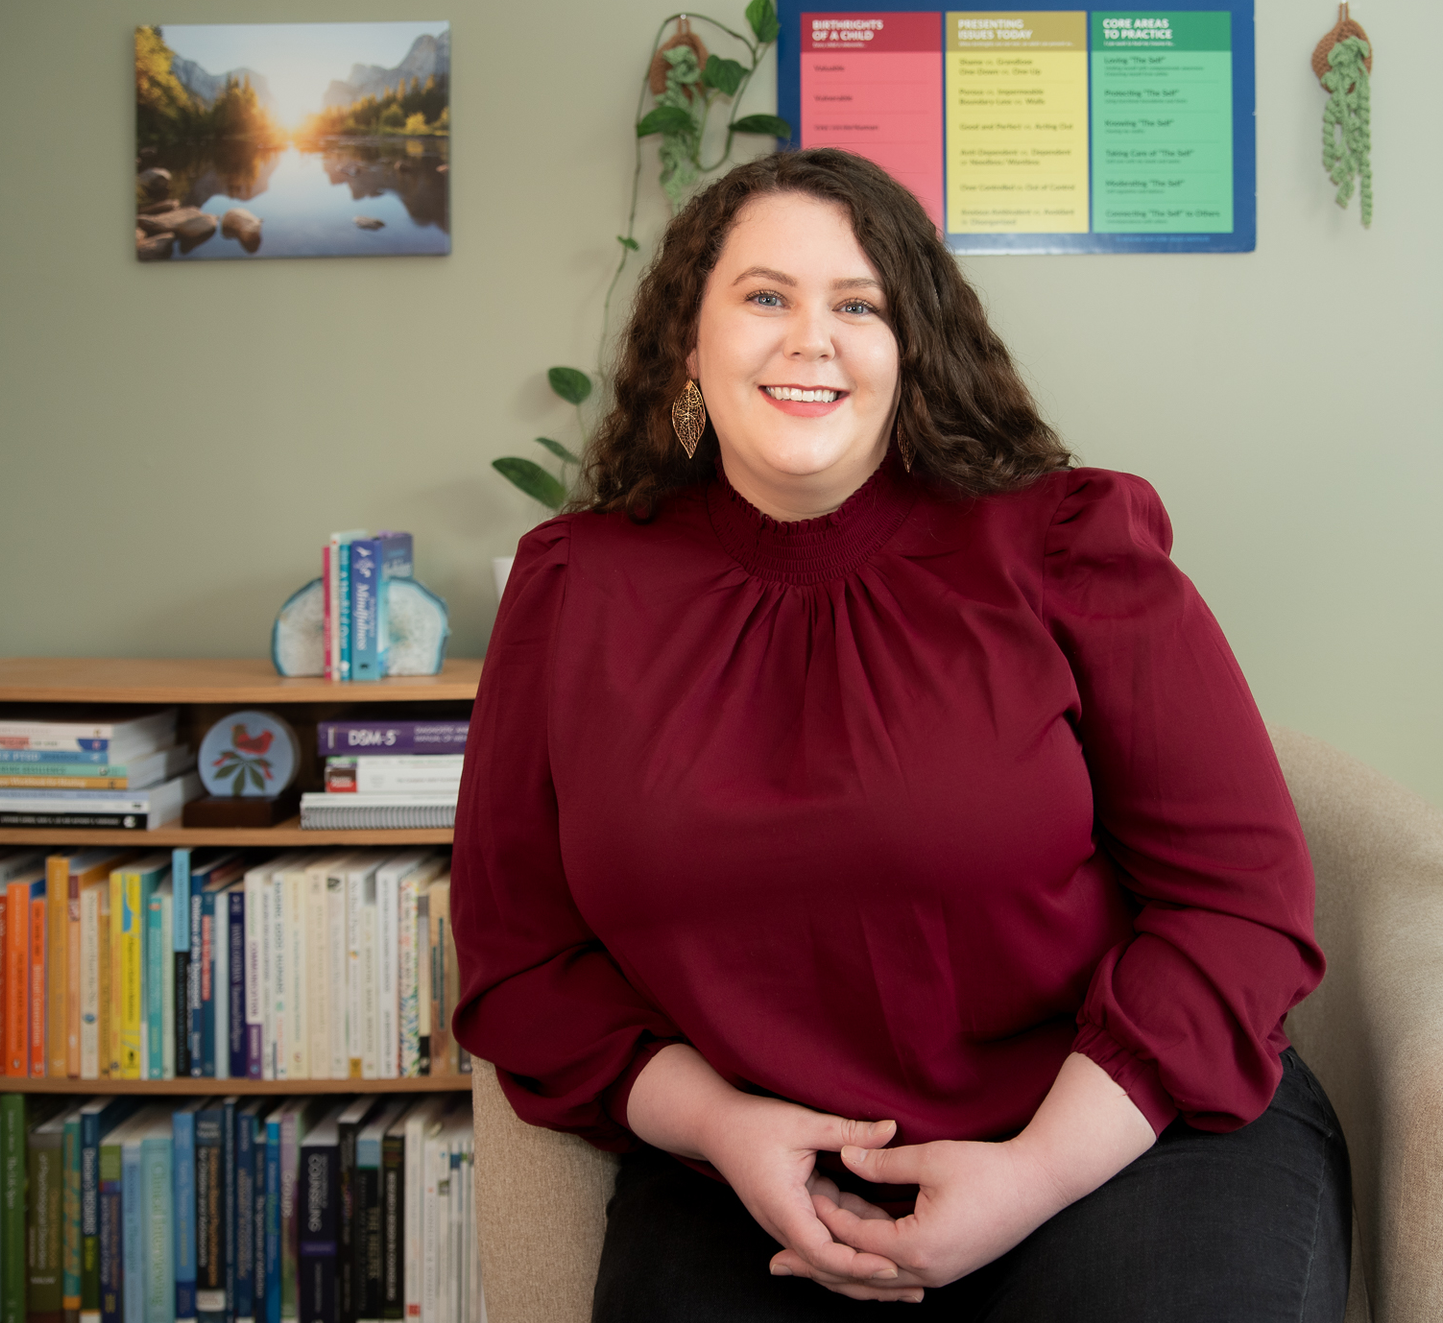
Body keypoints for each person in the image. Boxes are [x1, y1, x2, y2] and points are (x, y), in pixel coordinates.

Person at [452, 147, 1351, 1321]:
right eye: (765, 296)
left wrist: (1031, 1172)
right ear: (688, 340)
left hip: (1119, 1128)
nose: (809, 338)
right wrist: (722, 1127)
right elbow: (521, 959)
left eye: (858, 304)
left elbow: (1240, 904)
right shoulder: (576, 587)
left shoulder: (1065, 543)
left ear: (910, 347)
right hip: (761, 1179)